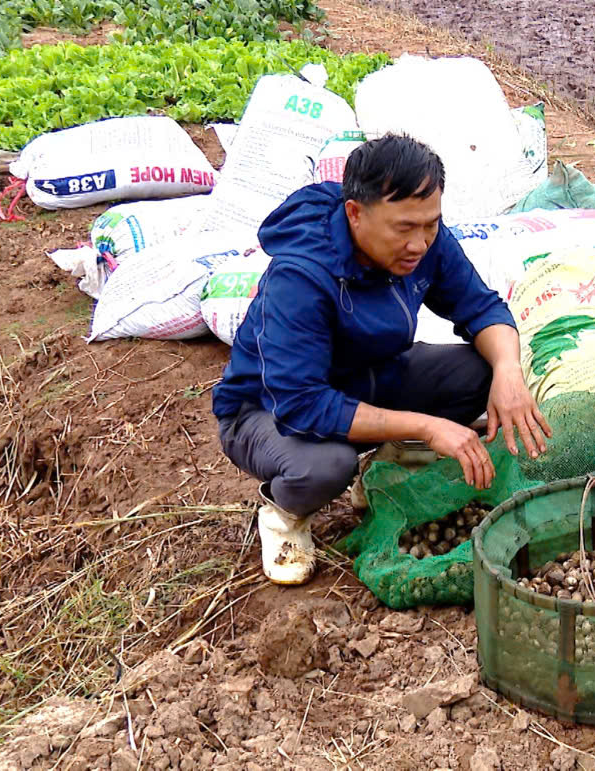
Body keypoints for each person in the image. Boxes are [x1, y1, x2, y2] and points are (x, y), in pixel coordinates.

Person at [213, 134, 550, 586]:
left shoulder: (424, 240)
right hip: (267, 410)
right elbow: (302, 405)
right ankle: (284, 514)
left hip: (368, 377)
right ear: (355, 213)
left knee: (482, 371)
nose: (420, 243)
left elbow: (481, 307)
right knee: (327, 465)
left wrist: (509, 373)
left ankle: (387, 470)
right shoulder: (301, 275)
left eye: (430, 225)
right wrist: (426, 427)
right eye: (404, 228)